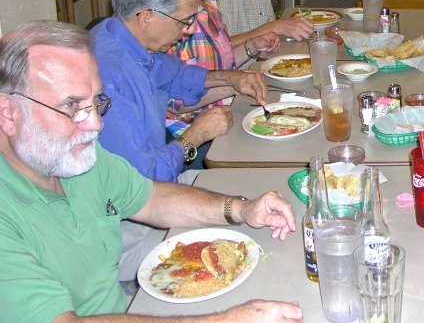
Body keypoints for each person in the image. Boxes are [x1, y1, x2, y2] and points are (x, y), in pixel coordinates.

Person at [0, 20, 303, 322]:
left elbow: (152, 199)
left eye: (97, 102)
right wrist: (225, 320)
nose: (95, 125)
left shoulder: (70, 157)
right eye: (71, 106)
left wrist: (241, 208)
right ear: (8, 113)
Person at [90, 0, 268, 281]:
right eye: (183, 21)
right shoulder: (109, 76)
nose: (187, 31)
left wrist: (231, 78)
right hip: (126, 231)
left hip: (160, 189)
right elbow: (145, 182)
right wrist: (196, 135)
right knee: (250, 250)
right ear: (146, 16)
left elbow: (176, 76)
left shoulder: (125, 38)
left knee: (256, 195)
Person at [166, 0, 280, 149]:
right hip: (190, 137)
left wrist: (252, 46)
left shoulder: (208, 6)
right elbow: (171, 104)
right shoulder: (172, 20)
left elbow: (222, 62)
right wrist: (232, 85)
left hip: (226, 116)